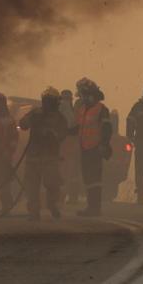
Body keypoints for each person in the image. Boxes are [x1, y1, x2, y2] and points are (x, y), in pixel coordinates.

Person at [18, 87, 69, 221]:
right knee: (32, 187)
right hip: (34, 156)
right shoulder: (35, 113)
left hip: (50, 157)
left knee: (52, 184)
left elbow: (63, 134)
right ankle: (34, 212)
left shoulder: (59, 118)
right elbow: (22, 124)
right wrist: (30, 121)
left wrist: (52, 133)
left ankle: (52, 205)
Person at [72, 77, 112, 217]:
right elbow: (78, 127)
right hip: (85, 148)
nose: (81, 97)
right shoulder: (83, 109)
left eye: (82, 94)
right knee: (88, 179)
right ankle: (91, 207)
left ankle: (95, 208)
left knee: (94, 180)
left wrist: (104, 144)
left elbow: (107, 128)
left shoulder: (101, 109)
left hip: (95, 148)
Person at [59, 88, 82, 204]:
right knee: (70, 173)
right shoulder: (70, 110)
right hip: (70, 146)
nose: (66, 101)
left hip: (69, 146)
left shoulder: (72, 110)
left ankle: (69, 197)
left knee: (70, 172)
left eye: (68, 98)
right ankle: (70, 197)